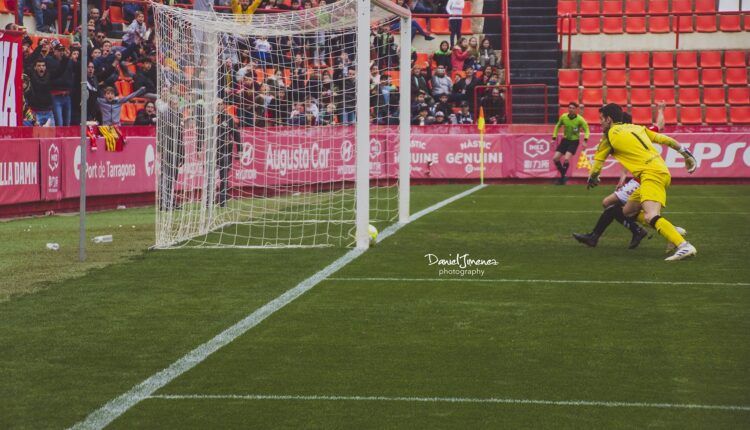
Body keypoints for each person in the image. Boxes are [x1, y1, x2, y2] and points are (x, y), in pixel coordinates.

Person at [587, 103, 698, 261]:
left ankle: (684, 245)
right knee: (628, 211)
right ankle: (672, 230)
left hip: (651, 174)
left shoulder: (608, 137)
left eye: (601, 119)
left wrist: (593, 178)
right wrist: (686, 154)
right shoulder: (636, 128)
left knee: (650, 215)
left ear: (609, 119)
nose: (600, 123)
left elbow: (598, 163)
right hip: (659, 171)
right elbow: (663, 138)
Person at [551, 102, 589, 185]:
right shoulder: (564, 117)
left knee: (566, 158)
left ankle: (562, 178)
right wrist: (554, 137)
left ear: (576, 109)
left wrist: (585, 141)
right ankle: (563, 176)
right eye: (570, 108)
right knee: (555, 158)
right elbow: (557, 126)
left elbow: (587, 129)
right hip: (565, 140)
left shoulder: (580, 119)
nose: (571, 109)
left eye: (573, 108)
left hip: (574, 141)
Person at [215, 100, 240, 207]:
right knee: (209, 176)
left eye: (221, 104)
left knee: (224, 175)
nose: (219, 106)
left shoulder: (228, 118)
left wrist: (240, 149)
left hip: (224, 150)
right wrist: (199, 148)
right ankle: (209, 199)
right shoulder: (209, 118)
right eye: (217, 104)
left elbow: (236, 133)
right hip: (211, 151)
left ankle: (222, 199)